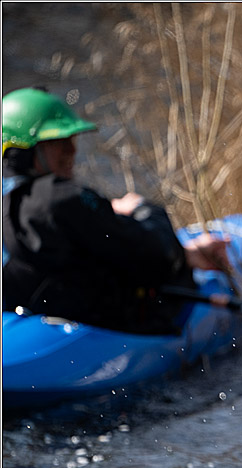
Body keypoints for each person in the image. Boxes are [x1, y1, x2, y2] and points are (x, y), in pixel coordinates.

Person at [2, 87, 229, 334]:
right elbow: (155, 258)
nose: (72, 150)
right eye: (59, 142)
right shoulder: (64, 198)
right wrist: (144, 210)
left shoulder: (14, 205)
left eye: (71, 141)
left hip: (29, 321)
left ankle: (187, 254)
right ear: (26, 151)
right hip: (106, 325)